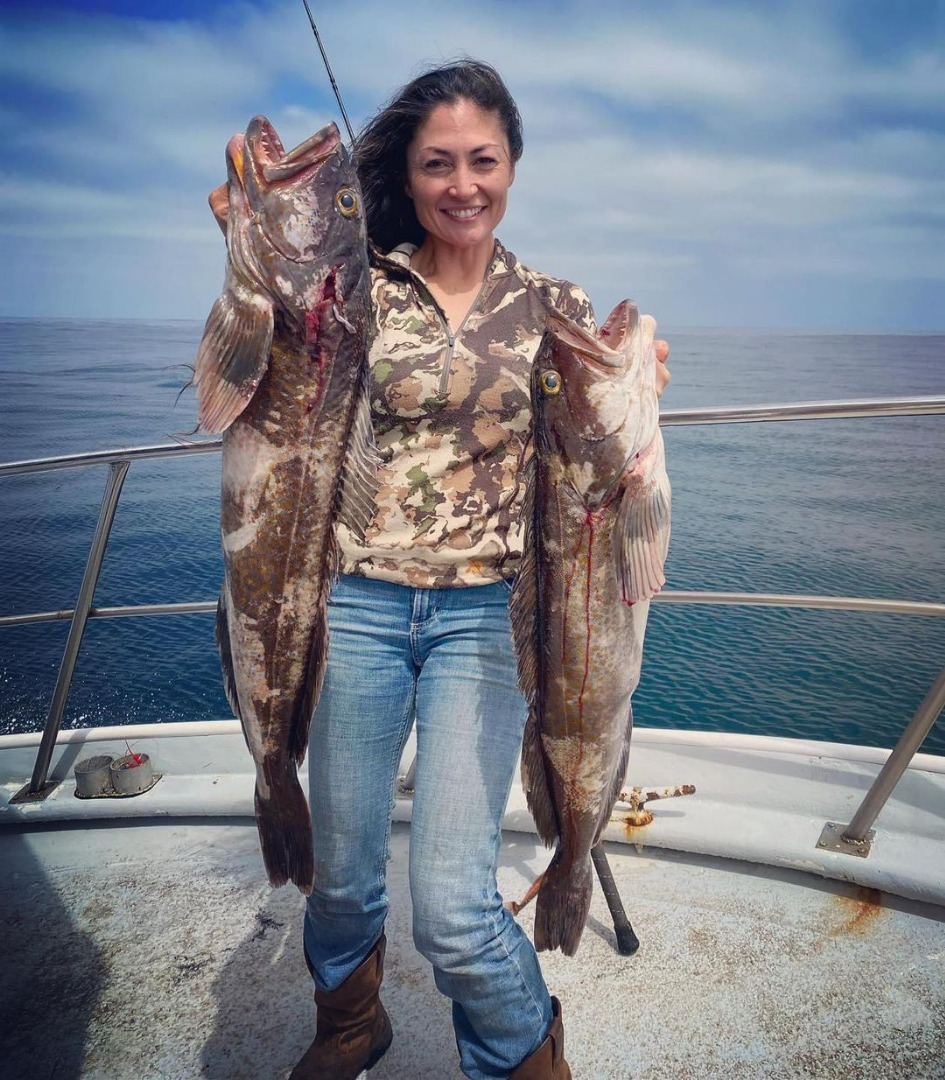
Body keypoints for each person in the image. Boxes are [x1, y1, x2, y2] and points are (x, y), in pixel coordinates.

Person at [290, 60, 670, 1080]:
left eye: (483, 160)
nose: (463, 183)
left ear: (512, 167)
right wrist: (235, 227)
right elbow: (280, 316)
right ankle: (349, 1019)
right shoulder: (363, 291)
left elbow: (604, 434)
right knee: (337, 877)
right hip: (359, 602)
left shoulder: (554, 305)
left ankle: (521, 1053)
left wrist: (647, 378)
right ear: (408, 178)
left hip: (490, 621)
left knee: (456, 909)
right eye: (437, 163)